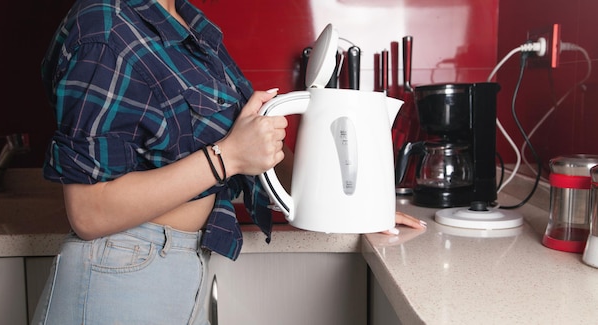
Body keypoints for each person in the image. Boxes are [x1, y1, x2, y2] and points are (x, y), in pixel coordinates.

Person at [32, 0, 426, 324]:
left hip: (181, 264)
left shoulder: (188, 24)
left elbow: (256, 147)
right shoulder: (104, 25)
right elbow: (88, 212)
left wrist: (358, 208)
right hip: (119, 273)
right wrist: (228, 157)